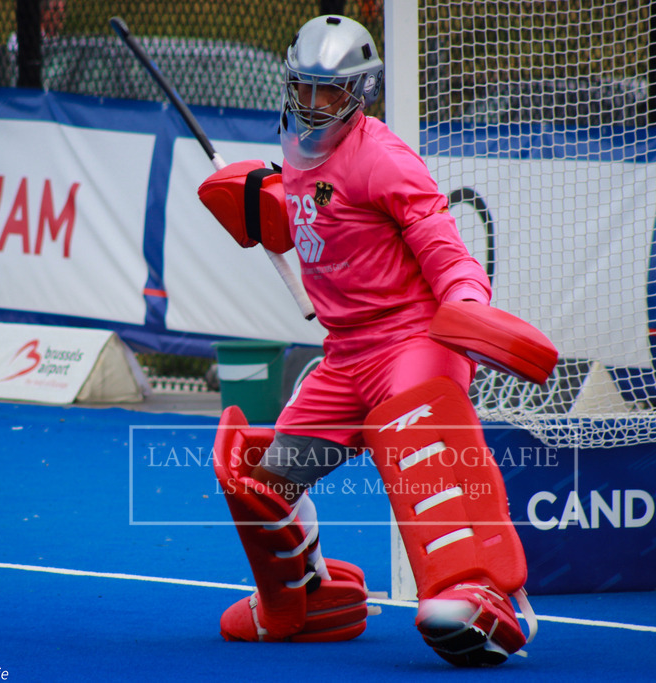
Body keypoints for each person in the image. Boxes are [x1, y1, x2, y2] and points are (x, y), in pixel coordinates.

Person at [209, 14, 536, 667]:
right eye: (303, 89)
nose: (312, 105)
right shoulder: (297, 145)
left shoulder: (383, 157)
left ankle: (479, 591)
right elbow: (319, 218)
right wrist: (265, 205)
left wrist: (468, 302)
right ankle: (304, 601)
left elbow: (440, 244)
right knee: (261, 478)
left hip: (412, 340)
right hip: (347, 354)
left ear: (360, 93)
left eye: (327, 93)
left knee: (417, 443)